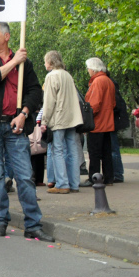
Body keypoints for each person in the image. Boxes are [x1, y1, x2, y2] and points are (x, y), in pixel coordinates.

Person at [0, 22, 52, 242]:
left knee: (25, 176)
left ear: (7, 36)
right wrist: (14, 62)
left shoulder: (25, 64)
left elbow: (35, 91)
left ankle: (33, 225)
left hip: (15, 125)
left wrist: (24, 113)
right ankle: (0, 220)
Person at [39, 51, 83, 194]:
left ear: (50, 62)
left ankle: (63, 183)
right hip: (72, 117)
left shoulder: (51, 76)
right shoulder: (67, 75)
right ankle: (74, 183)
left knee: (57, 150)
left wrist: (44, 120)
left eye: (45, 61)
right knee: (72, 150)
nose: (45, 64)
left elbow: (49, 102)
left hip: (58, 118)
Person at [82, 58, 115, 187]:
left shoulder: (98, 81)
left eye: (88, 68)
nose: (88, 71)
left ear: (93, 69)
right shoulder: (108, 81)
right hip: (107, 122)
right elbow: (112, 103)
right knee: (106, 152)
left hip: (97, 123)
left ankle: (94, 178)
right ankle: (109, 178)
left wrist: (86, 119)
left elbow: (94, 105)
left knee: (94, 153)